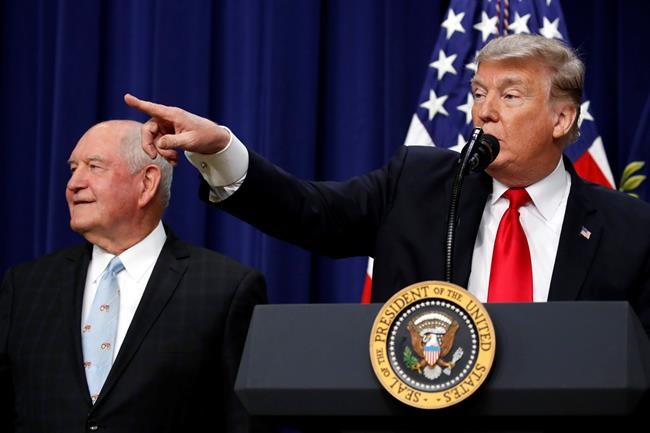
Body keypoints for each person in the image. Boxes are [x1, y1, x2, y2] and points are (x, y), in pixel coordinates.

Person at [124, 33, 650, 336]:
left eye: (509, 96)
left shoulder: (630, 229)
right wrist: (220, 149)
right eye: (478, 93)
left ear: (562, 118)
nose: (483, 112)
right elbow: (310, 212)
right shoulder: (418, 184)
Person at [0, 120, 269, 433]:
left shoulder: (226, 289)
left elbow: (244, 422)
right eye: (73, 169)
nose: (74, 183)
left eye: (94, 167)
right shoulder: (26, 286)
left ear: (147, 183)